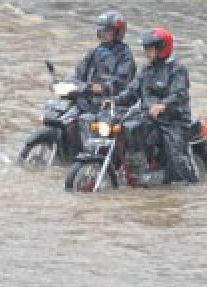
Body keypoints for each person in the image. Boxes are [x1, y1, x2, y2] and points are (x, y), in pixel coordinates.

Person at [115, 27, 198, 184]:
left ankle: (188, 184)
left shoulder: (177, 69)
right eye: (146, 48)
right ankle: (135, 166)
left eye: (150, 48)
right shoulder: (146, 70)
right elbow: (132, 91)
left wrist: (163, 105)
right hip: (148, 116)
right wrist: (113, 100)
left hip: (174, 119)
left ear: (162, 48)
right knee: (126, 127)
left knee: (175, 156)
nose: (147, 52)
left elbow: (179, 94)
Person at [71, 11, 135, 105]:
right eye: (101, 31)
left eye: (107, 31)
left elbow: (121, 82)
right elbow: (77, 75)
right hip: (88, 97)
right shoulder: (93, 52)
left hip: (111, 101)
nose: (103, 34)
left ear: (118, 32)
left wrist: (103, 87)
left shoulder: (125, 55)